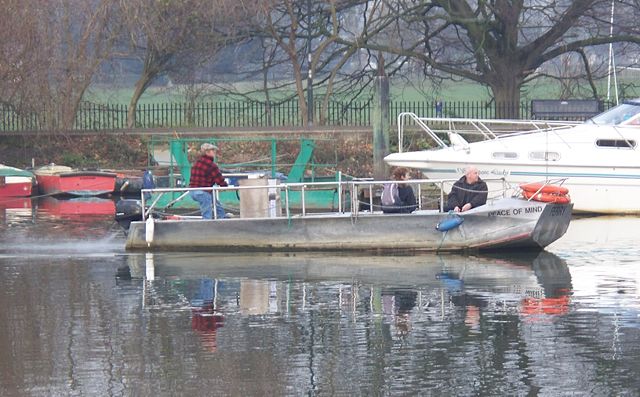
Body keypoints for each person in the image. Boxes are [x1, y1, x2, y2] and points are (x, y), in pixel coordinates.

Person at [189, 143, 228, 219]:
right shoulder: (211, 165)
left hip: (192, 191)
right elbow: (219, 179)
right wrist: (225, 186)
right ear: (207, 152)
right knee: (207, 214)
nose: (214, 152)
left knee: (215, 203)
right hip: (203, 192)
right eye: (212, 150)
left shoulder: (196, 163)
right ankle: (208, 226)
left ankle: (222, 216)